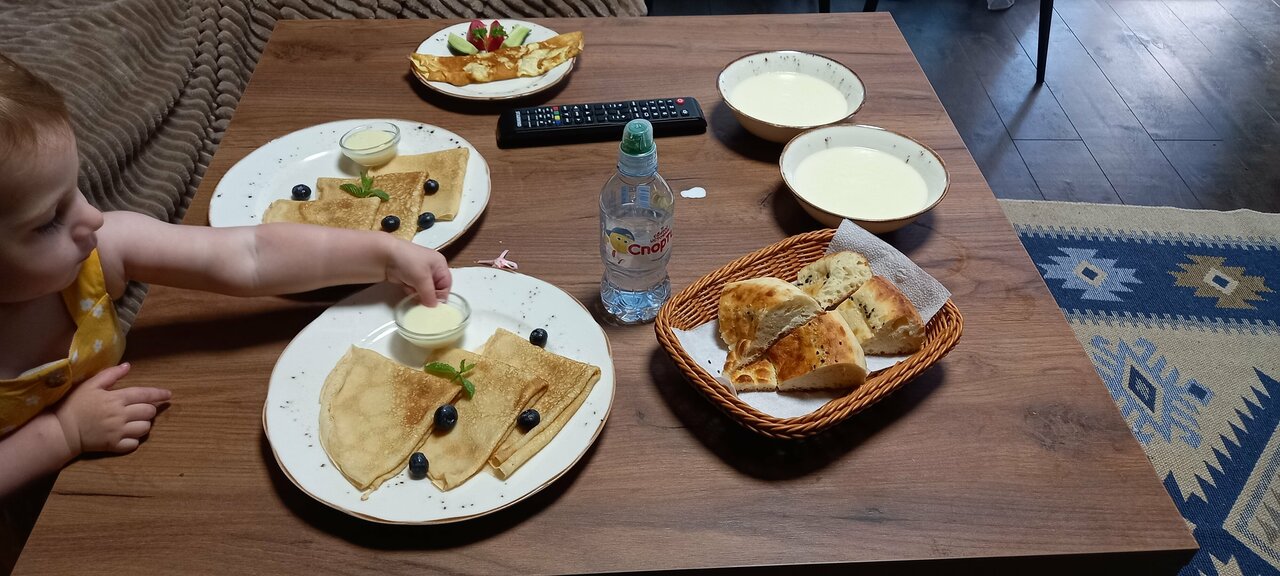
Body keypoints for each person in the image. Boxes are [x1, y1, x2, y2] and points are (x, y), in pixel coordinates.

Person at [0, 52, 452, 498]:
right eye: (49, 220)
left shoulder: (103, 249)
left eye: (76, 189)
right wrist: (64, 433)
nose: (92, 217)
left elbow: (250, 254)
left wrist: (382, 255)